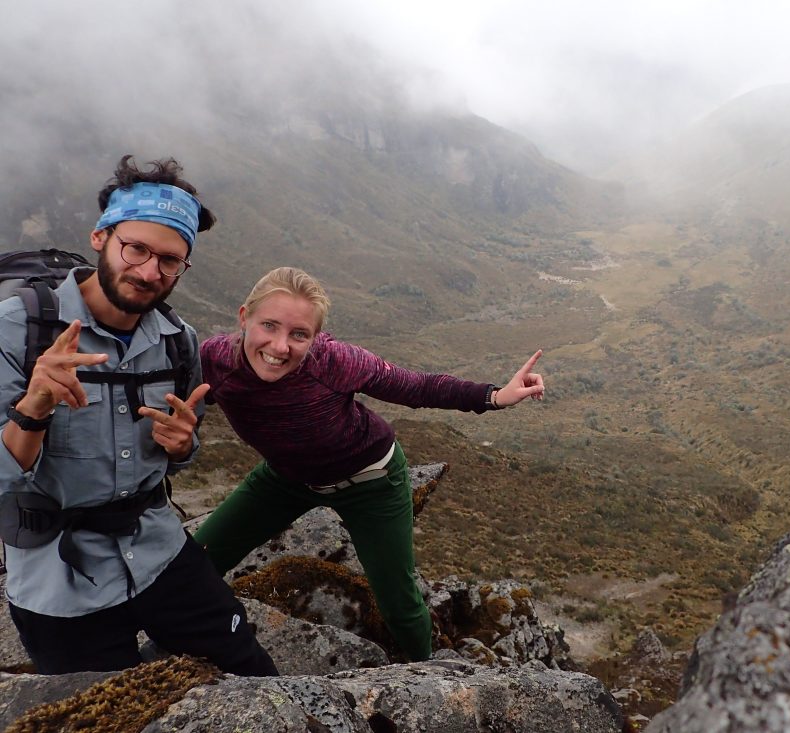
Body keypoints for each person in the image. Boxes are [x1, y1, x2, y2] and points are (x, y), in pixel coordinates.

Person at [0, 155, 277, 676]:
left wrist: (181, 447)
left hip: (159, 552)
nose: (150, 272)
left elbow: (172, 460)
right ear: (101, 237)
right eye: (137, 249)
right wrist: (34, 408)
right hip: (61, 580)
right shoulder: (16, 330)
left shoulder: (177, 342)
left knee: (255, 678)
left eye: (170, 260)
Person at [194, 266, 545, 661]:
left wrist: (494, 396)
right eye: (269, 326)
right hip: (284, 479)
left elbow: (415, 386)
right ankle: (185, 643)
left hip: (371, 481)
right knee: (195, 560)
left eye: (299, 334)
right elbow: (170, 396)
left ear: (315, 338)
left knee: (399, 604)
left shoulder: (334, 361)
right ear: (244, 317)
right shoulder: (213, 359)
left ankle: (427, 673)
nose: (279, 346)